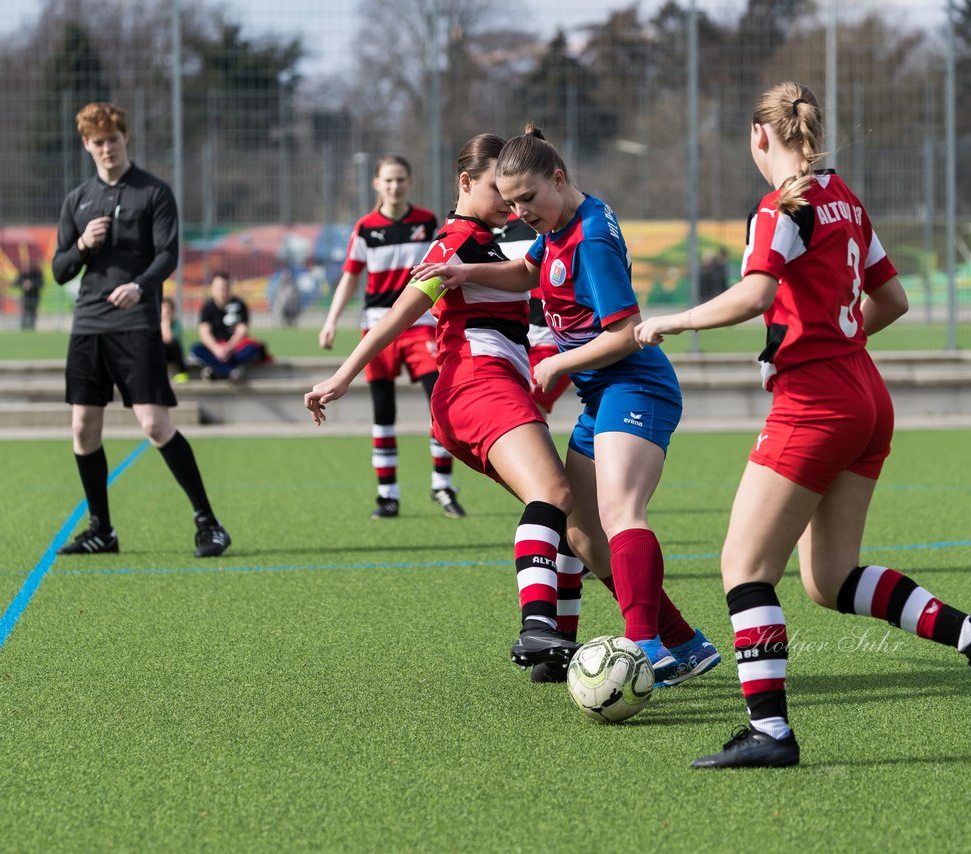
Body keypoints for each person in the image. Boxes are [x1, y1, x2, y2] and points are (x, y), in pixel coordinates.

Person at [634, 82, 971, 769]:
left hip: (816, 403)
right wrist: (839, 348)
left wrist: (672, 320)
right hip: (866, 395)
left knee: (745, 568)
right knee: (829, 578)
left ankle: (771, 734)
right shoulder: (842, 194)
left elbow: (756, 294)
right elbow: (892, 299)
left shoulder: (782, 205)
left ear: (760, 138)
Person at [413, 125, 721, 689]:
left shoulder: (591, 239)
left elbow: (629, 333)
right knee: (580, 533)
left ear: (559, 177)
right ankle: (685, 643)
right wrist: (466, 271)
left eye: (529, 199)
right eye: (511, 204)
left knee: (619, 511)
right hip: (602, 394)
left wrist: (558, 364)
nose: (522, 212)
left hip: (636, 387)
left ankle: (646, 650)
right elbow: (528, 272)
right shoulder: (557, 226)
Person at [306, 134, 580, 671]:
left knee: (567, 514)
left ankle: (557, 649)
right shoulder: (455, 239)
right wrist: (342, 376)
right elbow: (400, 312)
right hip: (476, 385)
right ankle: (538, 628)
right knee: (555, 491)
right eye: (496, 187)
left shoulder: (491, 240)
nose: (508, 199)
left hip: (492, 386)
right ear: (465, 183)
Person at [51, 101, 230, 558]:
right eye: (98, 142)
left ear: (125, 137)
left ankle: (209, 523)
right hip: (89, 323)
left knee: (154, 423)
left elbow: (168, 254)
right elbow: (59, 270)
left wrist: (140, 286)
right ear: (86, 145)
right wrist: (82, 244)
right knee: (83, 428)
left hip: (136, 322)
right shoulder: (77, 200)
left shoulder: (153, 192)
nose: (107, 148)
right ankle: (101, 530)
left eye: (114, 139)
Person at [319, 155, 464, 520]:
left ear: (409, 182)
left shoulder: (426, 222)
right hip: (377, 328)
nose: (394, 186)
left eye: (400, 179)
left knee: (439, 406)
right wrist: (331, 320)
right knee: (383, 412)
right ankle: (388, 495)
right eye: (388, 180)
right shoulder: (366, 227)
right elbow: (351, 277)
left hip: (419, 327)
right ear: (376, 184)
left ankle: (442, 486)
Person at [494, 214, 571, 414]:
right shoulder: (487, 222)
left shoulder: (556, 216)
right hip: (504, 343)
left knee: (522, 412)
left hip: (549, 343)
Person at [189, 271, 270, 382]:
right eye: (218, 287)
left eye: (225, 287)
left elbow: (242, 330)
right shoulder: (207, 307)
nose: (222, 290)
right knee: (195, 349)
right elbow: (204, 332)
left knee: (254, 349)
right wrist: (216, 348)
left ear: (230, 287)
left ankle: (217, 371)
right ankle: (231, 371)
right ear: (212, 288)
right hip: (215, 350)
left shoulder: (239, 304)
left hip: (235, 348)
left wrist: (229, 347)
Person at [160, 296, 190, 383]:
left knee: (174, 344)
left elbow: (169, 339)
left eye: (168, 312)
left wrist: (165, 324)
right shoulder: (154, 324)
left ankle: (182, 372)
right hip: (161, 354)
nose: (165, 315)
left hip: (172, 354)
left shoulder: (176, 324)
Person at [15, 262, 44, 331]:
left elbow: (41, 283)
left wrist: (32, 284)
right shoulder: (23, 274)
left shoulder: (36, 274)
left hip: (35, 296)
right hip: (26, 297)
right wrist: (23, 284)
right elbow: (16, 283)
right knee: (25, 312)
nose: (26, 268)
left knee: (33, 312)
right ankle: (24, 326)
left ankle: (31, 326)